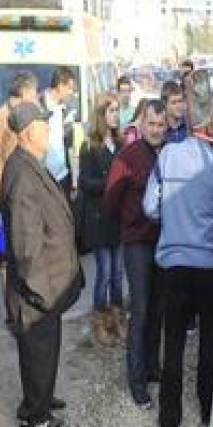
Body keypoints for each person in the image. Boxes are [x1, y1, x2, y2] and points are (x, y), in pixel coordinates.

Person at [143, 135, 213, 427]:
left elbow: (150, 207)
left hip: (174, 263)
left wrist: (175, 218)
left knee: (172, 343)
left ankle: (169, 419)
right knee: (210, 341)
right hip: (210, 265)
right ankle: (208, 405)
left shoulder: (167, 155)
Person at [1, 102, 83, 427]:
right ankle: (34, 415)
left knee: (46, 347)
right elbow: (25, 243)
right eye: (43, 125)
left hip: (49, 282)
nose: (49, 130)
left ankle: (42, 397)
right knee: (37, 349)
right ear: (27, 132)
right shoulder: (21, 172)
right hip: (39, 285)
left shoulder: (30, 162)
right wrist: (40, 290)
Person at [104, 100, 166, 409]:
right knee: (140, 311)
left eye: (160, 125)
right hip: (137, 242)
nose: (156, 130)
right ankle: (137, 381)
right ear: (141, 124)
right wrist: (130, 222)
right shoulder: (127, 156)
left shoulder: (168, 153)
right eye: (151, 124)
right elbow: (112, 198)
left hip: (163, 242)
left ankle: (153, 367)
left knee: (157, 308)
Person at [78, 94, 125, 347]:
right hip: (98, 219)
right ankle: (100, 321)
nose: (116, 115)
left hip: (117, 219)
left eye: (117, 110)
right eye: (112, 111)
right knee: (105, 273)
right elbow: (84, 181)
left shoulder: (120, 143)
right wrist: (110, 184)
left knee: (118, 274)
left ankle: (118, 317)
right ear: (101, 114)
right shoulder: (89, 146)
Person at [0, 72, 39, 203]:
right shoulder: (3, 118)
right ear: (24, 92)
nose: (36, 98)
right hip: (7, 193)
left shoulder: (16, 114)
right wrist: (0, 193)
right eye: (34, 93)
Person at [42, 67, 77, 199]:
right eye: (69, 88)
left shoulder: (67, 110)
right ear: (60, 86)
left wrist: (73, 181)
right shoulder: (39, 106)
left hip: (63, 177)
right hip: (43, 179)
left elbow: (69, 146)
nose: (71, 92)